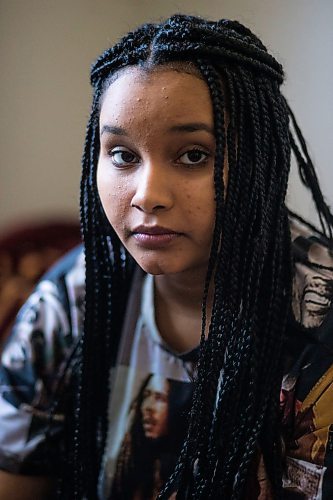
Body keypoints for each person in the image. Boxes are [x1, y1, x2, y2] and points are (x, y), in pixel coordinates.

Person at [0, 13, 333, 500]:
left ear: (260, 162)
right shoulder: (73, 297)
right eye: (122, 155)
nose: (146, 195)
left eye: (193, 155)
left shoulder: (318, 323)